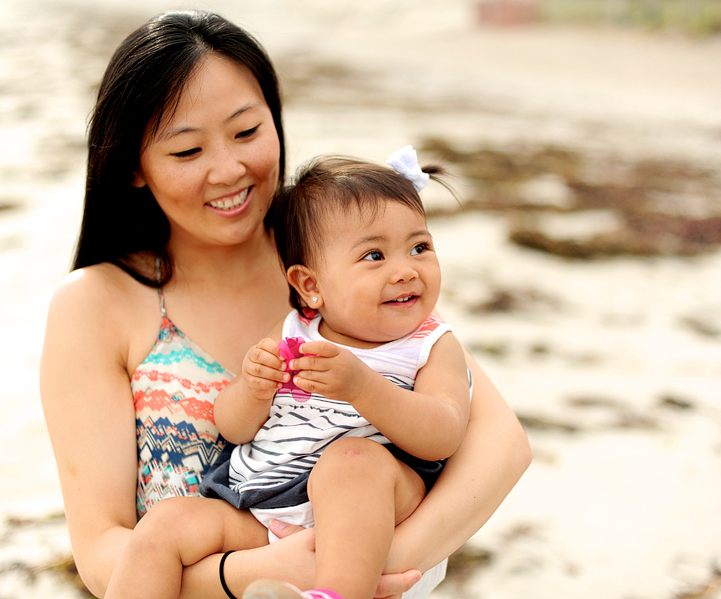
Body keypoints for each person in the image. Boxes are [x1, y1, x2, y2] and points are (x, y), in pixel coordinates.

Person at [39, 9, 531, 599]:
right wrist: (252, 574)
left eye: (247, 132)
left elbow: (500, 447)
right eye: (187, 151)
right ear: (134, 168)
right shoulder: (97, 304)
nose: (229, 169)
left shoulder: (341, 262)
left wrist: (364, 565)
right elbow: (100, 549)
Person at [102, 151, 472, 599]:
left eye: (420, 247)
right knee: (165, 524)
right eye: (375, 255)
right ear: (311, 286)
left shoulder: (429, 343)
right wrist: (252, 389)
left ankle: (332, 594)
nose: (406, 270)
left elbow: (444, 433)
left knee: (351, 463)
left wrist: (363, 387)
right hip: (265, 501)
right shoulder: (295, 332)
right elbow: (234, 428)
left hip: (368, 507)